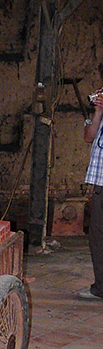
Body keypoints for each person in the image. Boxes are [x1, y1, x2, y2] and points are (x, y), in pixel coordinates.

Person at [78, 85, 103, 300]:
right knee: (97, 236)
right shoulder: (98, 115)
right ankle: (100, 287)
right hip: (101, 185)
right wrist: (99, 112)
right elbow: (89, 136)